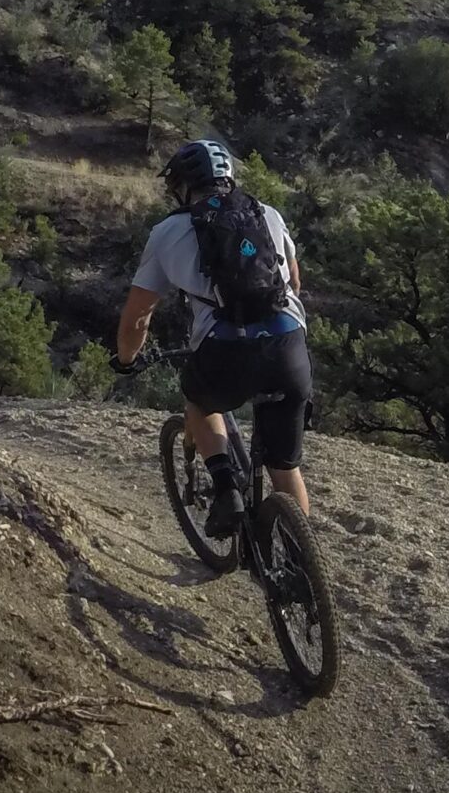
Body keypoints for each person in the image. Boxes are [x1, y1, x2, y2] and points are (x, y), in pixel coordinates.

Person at [111, 140, 312, 534]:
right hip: (288, 344)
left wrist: (126, 359)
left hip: (226, 351)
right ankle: (299, 565)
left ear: (184, 186)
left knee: (200, 402)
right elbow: (295, 282)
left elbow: (138, 316)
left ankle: (225, 489)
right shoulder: (267, 213)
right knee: (286, 469)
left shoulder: (168, 231)